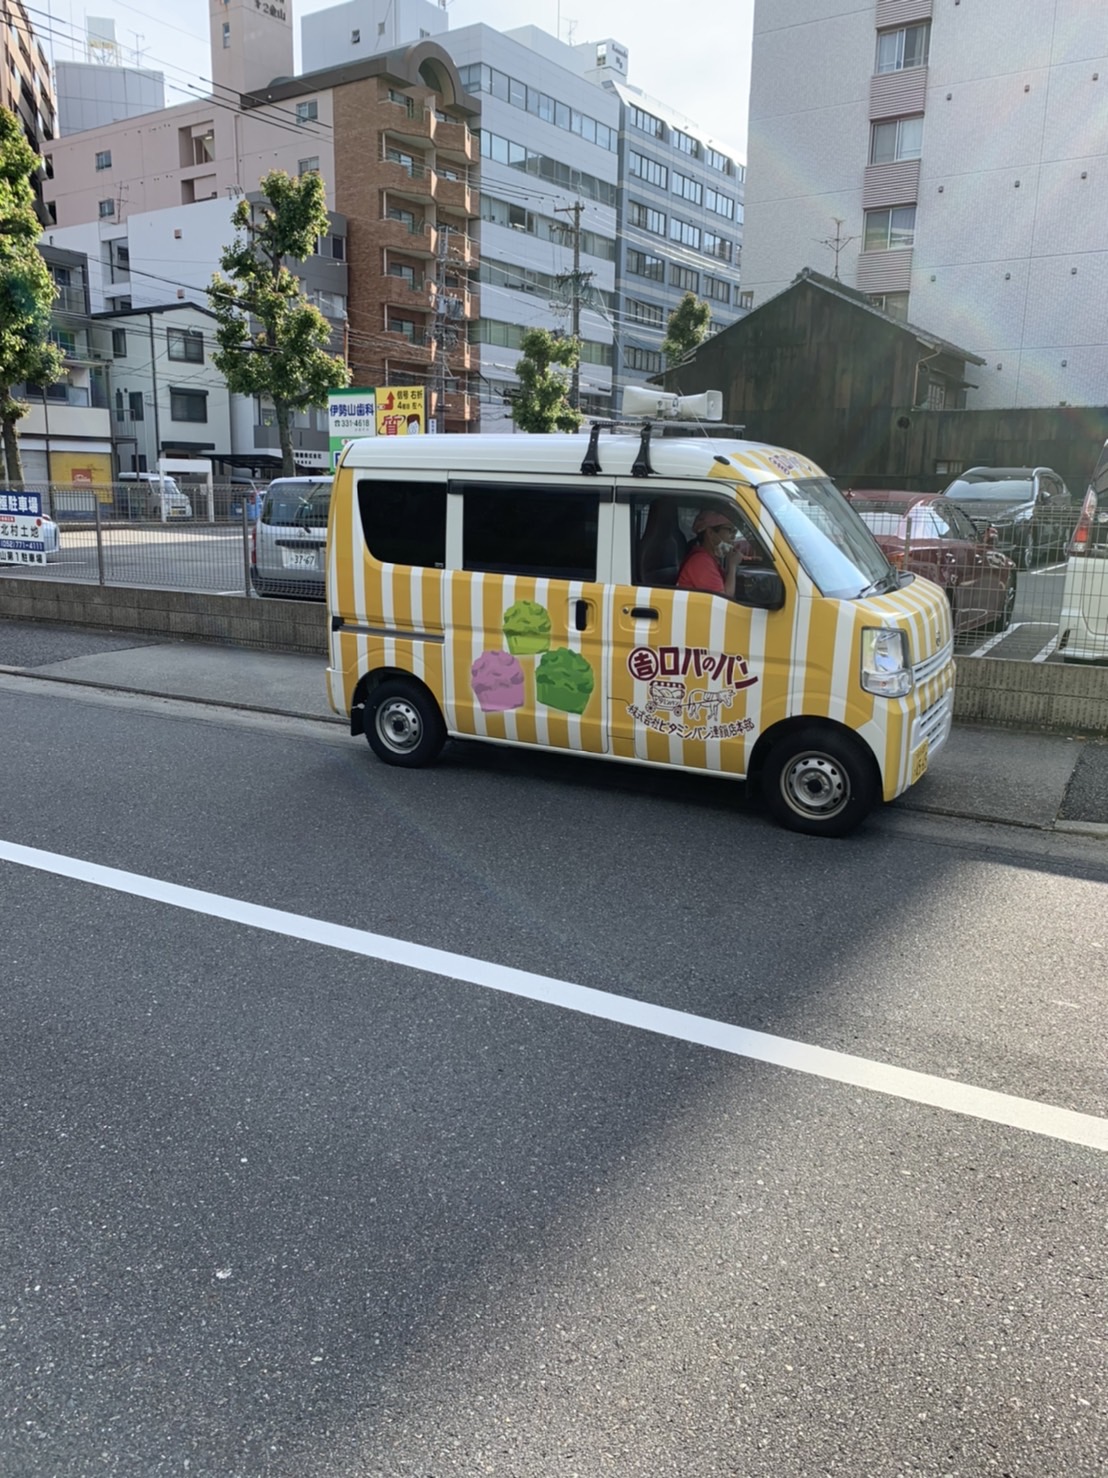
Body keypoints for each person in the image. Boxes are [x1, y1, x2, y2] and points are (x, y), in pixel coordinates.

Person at [676, 508, 744, 596]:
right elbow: (725, 600)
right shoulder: (701, 561)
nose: (733, 537)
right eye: (729, 530)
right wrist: (732, 566)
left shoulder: (710, 559)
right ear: (711, 533)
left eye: (734, 531)